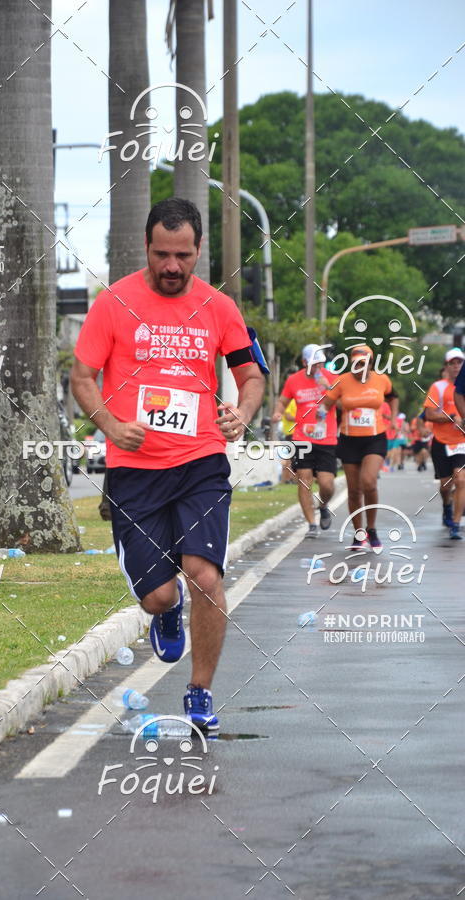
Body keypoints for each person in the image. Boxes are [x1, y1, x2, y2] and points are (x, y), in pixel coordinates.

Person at [71, 197, 265, 732]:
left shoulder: (219, 308)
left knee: (205, 576)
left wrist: (242, 413)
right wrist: (111, 427)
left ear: (199, 250)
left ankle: (200, 692)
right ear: (147, 248)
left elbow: (251, 376)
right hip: (135, 470)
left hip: (201, 461)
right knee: (159, 593)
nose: (172, 266)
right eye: (162, 254)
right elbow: (82, 378)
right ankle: (166, 607)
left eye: (183, 255)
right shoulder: (113, 303)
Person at [318, 345, 398, 551]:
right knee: (354, 491)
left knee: (369, 482)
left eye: (363, 363)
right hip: (349, 439)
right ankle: (359, 533)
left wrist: (394, 419)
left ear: (371, 363)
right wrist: (330, 405)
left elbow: (393, 396)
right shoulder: (342, 381)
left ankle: (371, 529)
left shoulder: (382, 380)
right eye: (355, 363)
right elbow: (326, 405)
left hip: (375, 438)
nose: (359, 367)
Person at [272, 344, 337, 537]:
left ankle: (323, 506)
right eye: (313, 364)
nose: (317, 367)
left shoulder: (331, 378)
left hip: (327, 437)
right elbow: (283, 401)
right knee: (304, 480)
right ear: (304, 362)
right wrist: (278, 412)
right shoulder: (294, 380)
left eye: (320, 363)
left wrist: (329, 388)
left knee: (327, 484)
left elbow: (342, 404)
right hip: (302, 437)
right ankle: (311, 525)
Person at [423, 348, 465, 540]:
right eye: (452, 363)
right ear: (446, 366)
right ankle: (447, 505)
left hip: (462, 442)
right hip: (441, 441)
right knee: (446, 485)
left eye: (459, 362)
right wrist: (451, 418)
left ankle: (456, 523)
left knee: (461, 480)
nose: (456, 366)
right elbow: (429, 414)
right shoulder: (438, 387)